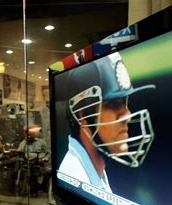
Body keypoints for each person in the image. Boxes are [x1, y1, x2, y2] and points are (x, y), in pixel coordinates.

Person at [57, 52, 155, 193]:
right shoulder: (76, 180)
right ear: (82, 114)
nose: (127, 115)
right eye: (114, 104)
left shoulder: (93, 170)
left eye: (124, 102)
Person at [17, 128, 51, 198]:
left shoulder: (41, 142)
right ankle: (34, 189)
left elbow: (48, 153)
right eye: (28, 134)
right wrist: (25, 141)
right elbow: (19, 151)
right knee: (31, 173)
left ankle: (42, 186)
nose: (30, 136)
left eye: (31, 134)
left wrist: (45, 159)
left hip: (41, 161)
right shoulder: (24, 143)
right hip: (29, 163)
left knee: (49, 171)